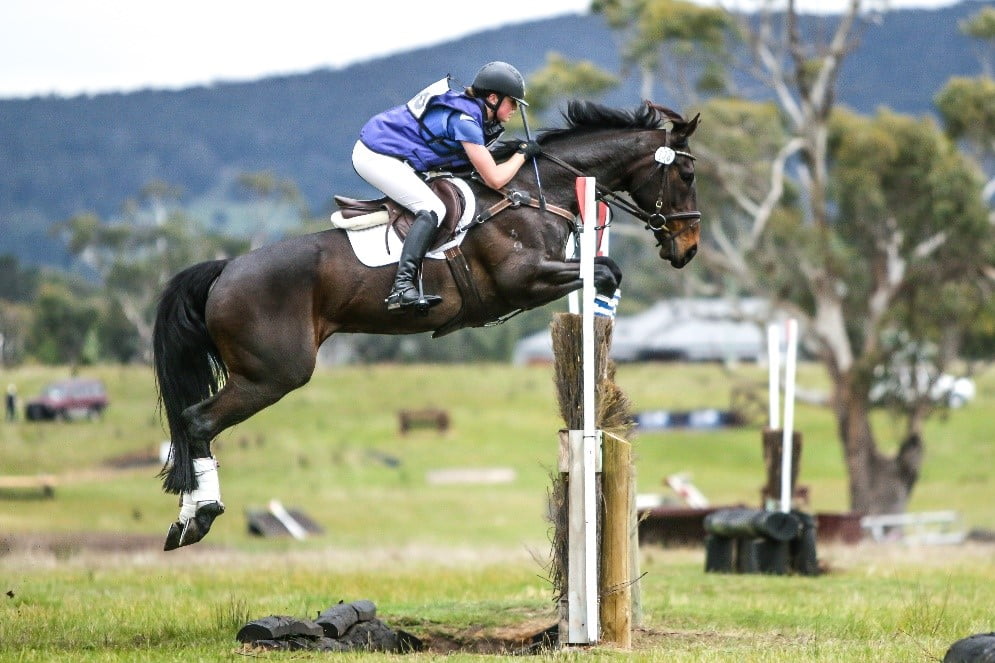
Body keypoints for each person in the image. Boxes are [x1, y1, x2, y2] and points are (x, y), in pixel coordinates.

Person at [353, 61, 541, 312]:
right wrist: (523, 155)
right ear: (494, 98)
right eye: (513, 102)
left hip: (397, 156)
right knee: (432, 208)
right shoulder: (465, 121)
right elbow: (495, 179)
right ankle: (402, 286)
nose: (515, 109)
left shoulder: (475, 116)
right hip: (375, 155)